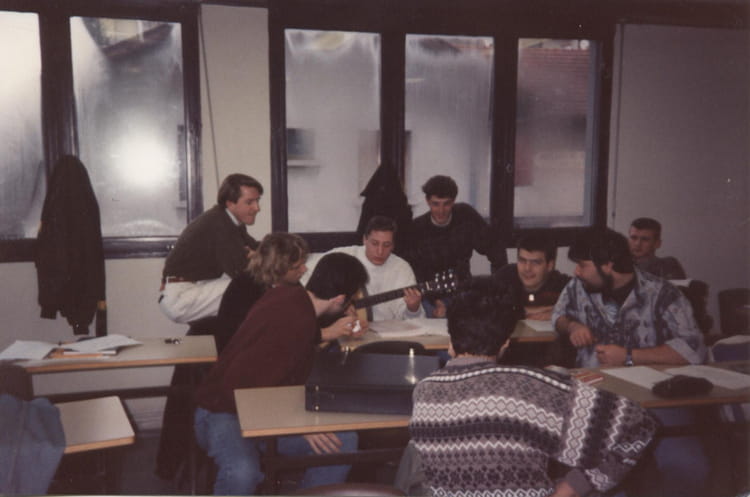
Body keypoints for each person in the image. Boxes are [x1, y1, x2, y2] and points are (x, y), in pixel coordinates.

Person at [408, 277, 658, 497]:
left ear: (451, 341)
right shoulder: (533, 388)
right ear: (505, 343)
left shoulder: (424, 392)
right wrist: (571, 488)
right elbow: (639, 426)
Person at [193, 251, 368, 495]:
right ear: (339, 298)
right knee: (243, 473)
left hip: (264, 412)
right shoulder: (297, 320)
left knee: (343, 442)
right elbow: (243, 390)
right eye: (349, 300)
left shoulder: (289, 295)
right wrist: (301, 426)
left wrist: (334, 325)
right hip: (223, 412)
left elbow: (292, 358)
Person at [552, 227, 709, 497]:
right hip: (597, 399)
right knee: (592, 473)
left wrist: (629, 356)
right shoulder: (579, 287)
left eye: (582, 265)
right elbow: (558, 316)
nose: (576, 272)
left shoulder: (661, 293)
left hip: (654, 398)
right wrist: (572, 326)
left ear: (608, 265)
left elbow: (694, 349)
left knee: (688, 467)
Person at [159, 173, 263, 325]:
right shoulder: (219, 224)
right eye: (249, 202)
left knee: (252, 284)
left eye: (257, 200)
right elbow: (241, 270)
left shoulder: (228, 221)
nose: (257, 208)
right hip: (183, 296)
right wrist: (260, 258)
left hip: (193, 289)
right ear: (230, 203)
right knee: (253, 285)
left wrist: (266, 252)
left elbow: (256, 247)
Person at [404, 175, 507, 317]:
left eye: (446, 204)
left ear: (454, 201)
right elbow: (416, 272)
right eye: (435, 204)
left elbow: (495, 247)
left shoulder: (466, 216)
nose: (441, 211)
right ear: (427, 201)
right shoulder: (417, 228)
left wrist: (498, 285)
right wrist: (436, 301)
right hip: (429, 295)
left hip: (462, 291)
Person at [302, 216, 423, 323]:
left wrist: (413, 308)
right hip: (343, 330)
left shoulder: (401, 268)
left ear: (393, 245)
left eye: (386, 245)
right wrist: (336, 308)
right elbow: (303, 276)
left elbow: (413, 321)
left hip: (387, 333)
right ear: (364, 239)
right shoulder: (343, 256)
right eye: (375, 243)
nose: (380, 251)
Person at [494, 233, 570, 321]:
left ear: (550, 265)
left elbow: (582, 308)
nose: (527, 268)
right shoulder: (504, 278)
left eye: (535, 262)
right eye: (522, 260)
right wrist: (523, 311)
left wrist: (559, 314)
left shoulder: (563, 285)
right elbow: (486, 309)